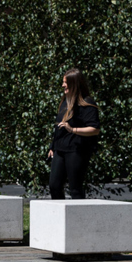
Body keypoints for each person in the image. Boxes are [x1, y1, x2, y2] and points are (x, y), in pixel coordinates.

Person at [48, 68, 101, 199]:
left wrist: (72, 129)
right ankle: (59, 216)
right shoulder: (65, 102)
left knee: (75, 187)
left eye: (66, 82)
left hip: (76, 150)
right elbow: (58, 126)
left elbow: (95, 129)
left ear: (75, 83)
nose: (63, 85)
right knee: (54, 185)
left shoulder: (87, 103)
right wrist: (52, 147)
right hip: (59, 149)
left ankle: (79, 218)